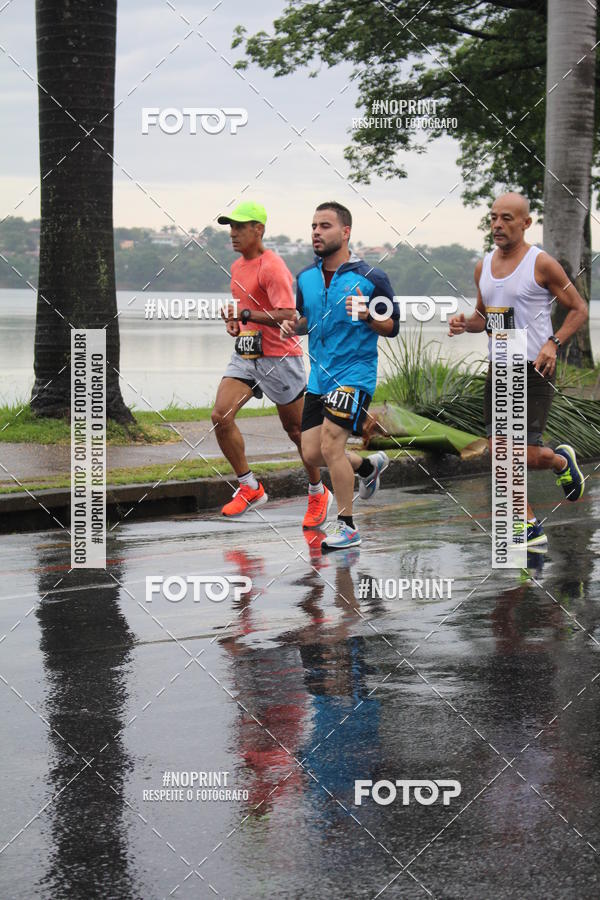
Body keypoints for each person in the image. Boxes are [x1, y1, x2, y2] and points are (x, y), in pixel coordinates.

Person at [448, 191, 588, 549]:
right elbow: (486, 317)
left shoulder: (541, 264)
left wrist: (552, 343)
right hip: (499, 369)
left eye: (507, 218)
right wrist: (467, 324)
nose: (497, 224)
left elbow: (578, 309)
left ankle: (558, 461)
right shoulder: (483, 267)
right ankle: (528, 521)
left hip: (534, 368)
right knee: (500, 450)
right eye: (493, 217)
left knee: (517, 452)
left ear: (526, 223)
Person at [281, 201, 400, 551]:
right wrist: (294, 326)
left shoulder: (371, 278)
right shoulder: (305, 277)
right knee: (311, 452)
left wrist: (367, 316)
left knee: (332, 443)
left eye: (325, 225)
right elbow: (306, 318)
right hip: (319, 377)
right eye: (314, 225)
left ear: (345, 232)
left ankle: (347, 526)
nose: (317, 232)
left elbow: (391, 326)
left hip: (355, 374)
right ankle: (366, 467)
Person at [213, 200, 331, 528]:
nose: (233, 234)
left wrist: (247, 315)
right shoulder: (237, 267)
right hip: (246, 354)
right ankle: (250, 487)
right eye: (230, 227)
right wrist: (235, 324)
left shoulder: (272, 265)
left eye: (239, 227)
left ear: (258, 229)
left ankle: (318, 491)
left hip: (280, 356)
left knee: (297, 431)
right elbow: (243, 312)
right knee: (220, 417)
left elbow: (287, 314)